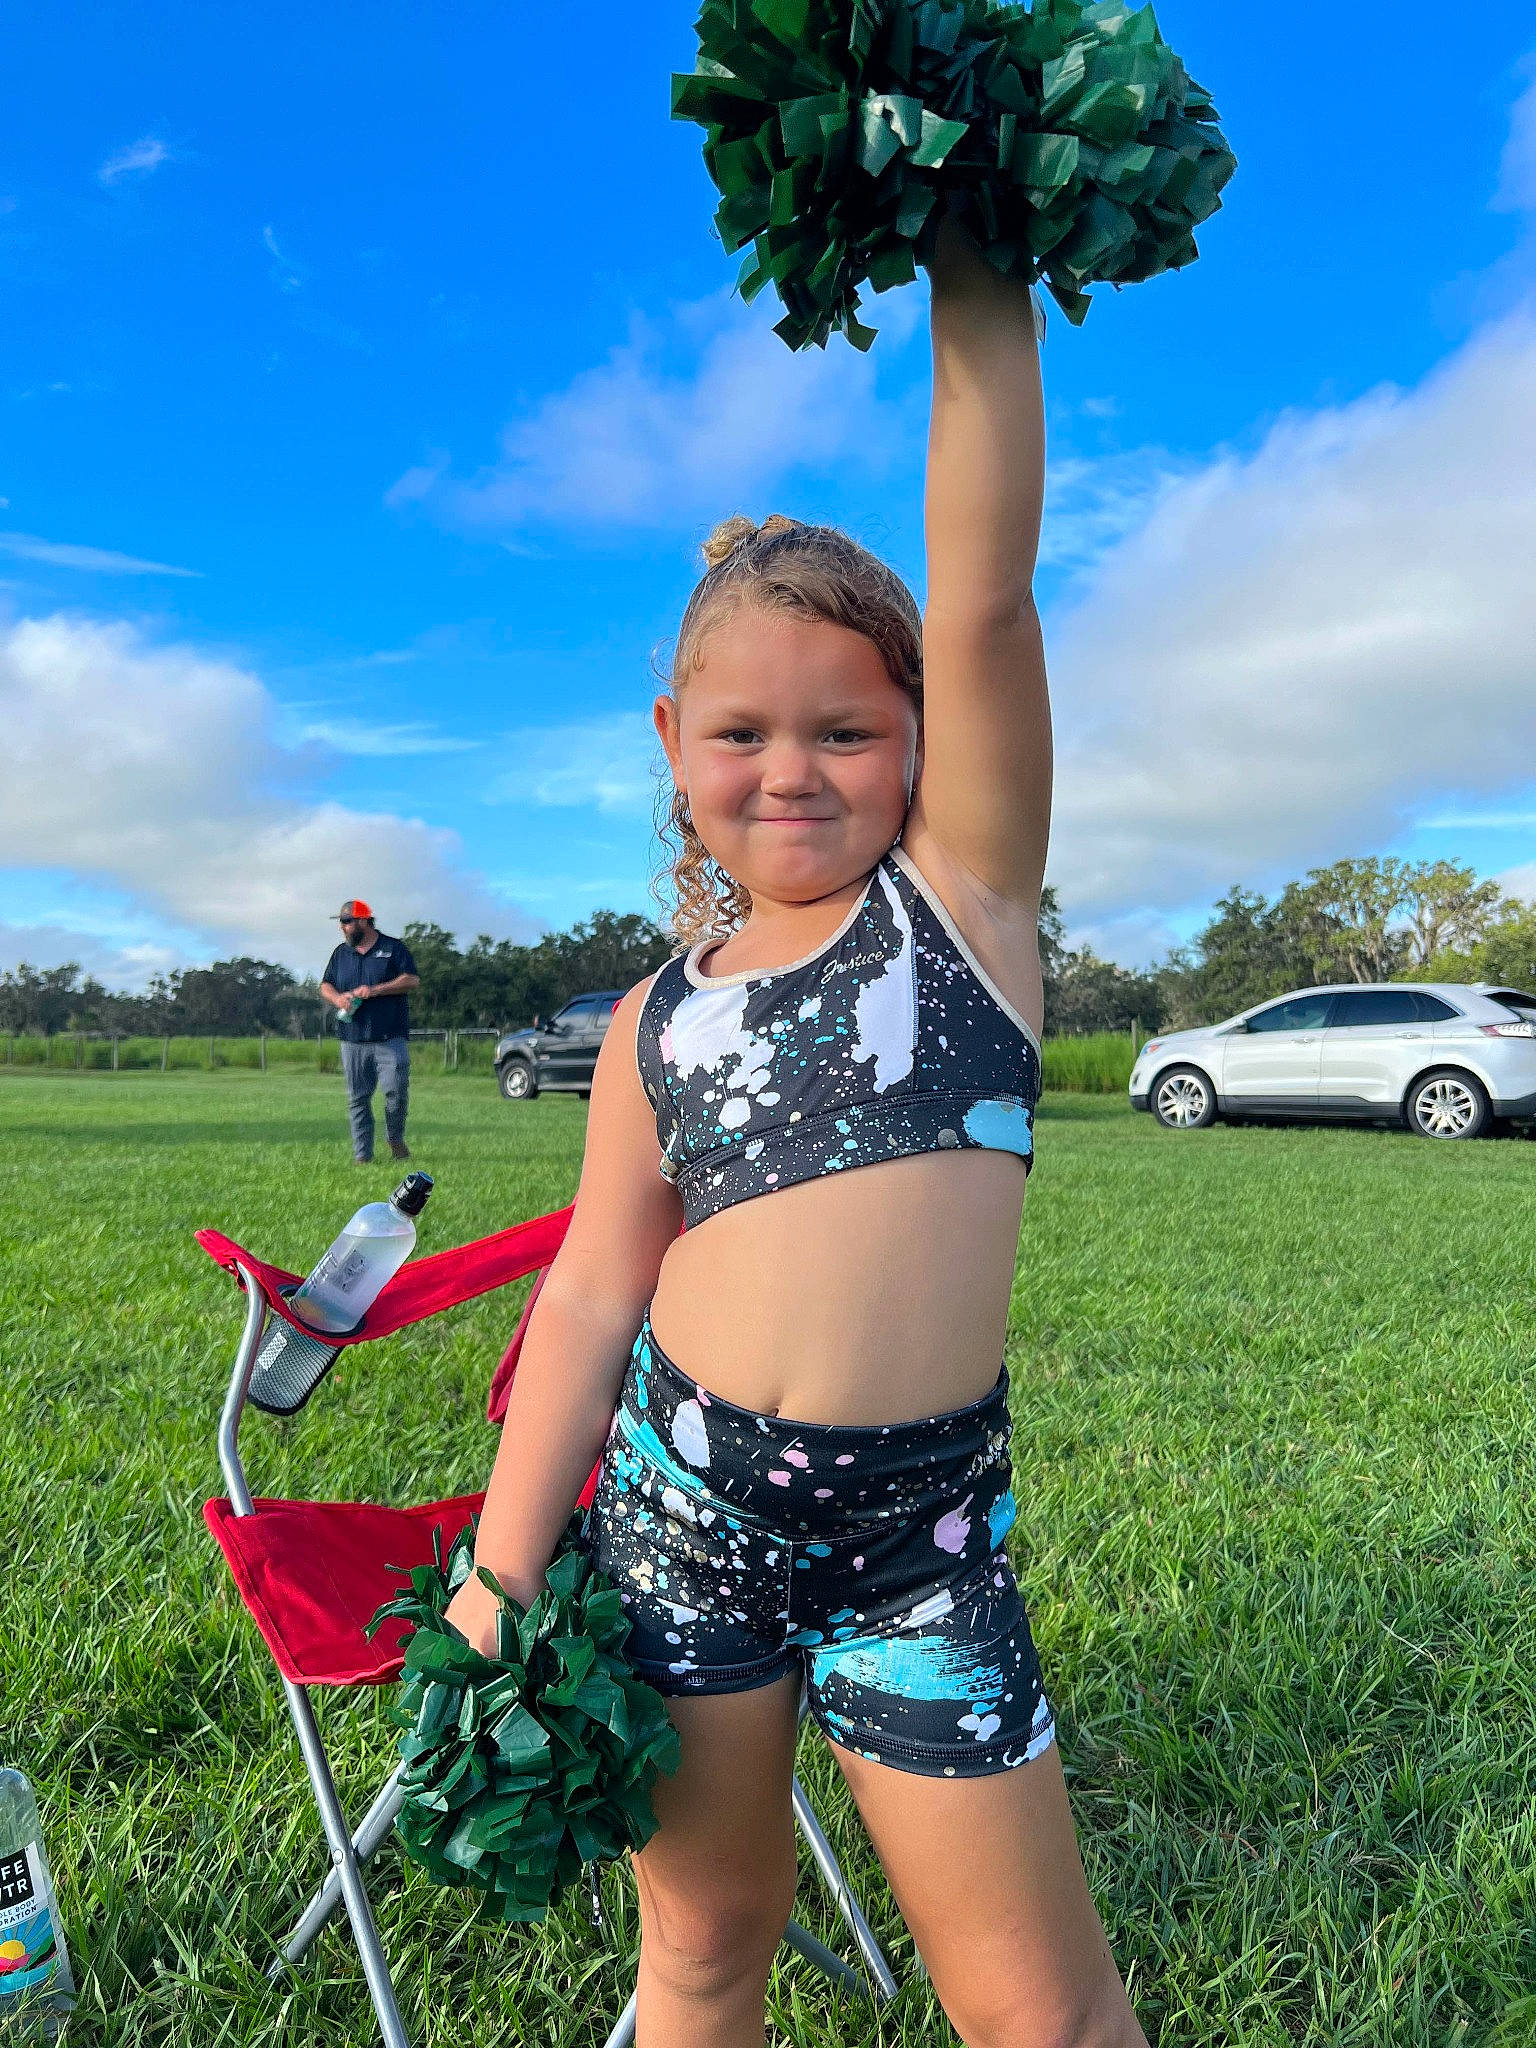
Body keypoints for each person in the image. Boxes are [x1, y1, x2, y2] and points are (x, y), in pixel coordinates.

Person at [449, 217, 1147, 2048]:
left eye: (849, 726)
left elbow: (985, 590)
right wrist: (503, 1562)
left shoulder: (967, 908)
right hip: (677, 1517)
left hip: (922, 1536)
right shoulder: (650, 1013)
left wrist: (978, 253)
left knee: (1042, 2005)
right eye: (743, 730)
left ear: (925, 733)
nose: (793, 769)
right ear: (675, 740)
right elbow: (599, 1289)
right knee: (699, 1949)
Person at [319, 900, 420, 1165]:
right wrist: (338, 999)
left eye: (346, 922)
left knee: (396, 1092)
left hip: (390, 1038)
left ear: (363, 921)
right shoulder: (340, 953)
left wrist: (374, 990)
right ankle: (363, 1156)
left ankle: (395, 1139)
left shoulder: (393, 948)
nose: (342, 928)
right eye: (341, 922)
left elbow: (412, 980)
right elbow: (325, 985)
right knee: (357, 1099)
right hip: (352, 1039)